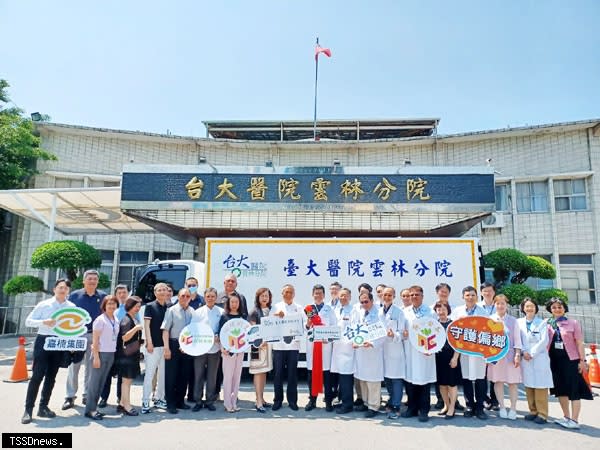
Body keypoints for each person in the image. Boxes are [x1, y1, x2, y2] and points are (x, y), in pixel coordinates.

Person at [21, 279, 74, 424]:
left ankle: (43, 407)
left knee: (51, 377)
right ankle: (28, 409)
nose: (63, 290)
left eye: (66, 288)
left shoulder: (71, 307)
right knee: (37, 376)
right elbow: (28, 321)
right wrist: (43, 322)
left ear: (68, 291)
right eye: (60, 287)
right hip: (44, 341)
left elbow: (75, 326)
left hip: (59, 344)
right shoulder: (44, 304)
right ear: (54, 289)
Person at [62, 269, 106, 410]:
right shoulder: (74, 296)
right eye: (89, 278)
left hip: (95, 335)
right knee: (73, 366)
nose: (92, 281)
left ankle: (87, 394)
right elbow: (67, 315)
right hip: (77, 335)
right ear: (84, 280)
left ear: (97, 281)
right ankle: (70, 396)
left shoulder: (103, 297)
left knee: (91, 366)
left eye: (95, 279)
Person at [546, 297, 593, 430]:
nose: (557, 309)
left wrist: (582, 361)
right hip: (554, 361)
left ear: (564, 308)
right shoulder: (548, 323)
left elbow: (579, 343)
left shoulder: (573, 323)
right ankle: (566, 416)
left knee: (573, 390)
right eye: (554, 307)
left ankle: (574, 420)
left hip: (570, 360)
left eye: (559, 307)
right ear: (550, 309)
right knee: (560, 390)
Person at [452, 286, 489, 420]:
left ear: (477, 297)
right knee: (466, 379)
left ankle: (480, 407)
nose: (470, 297)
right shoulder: (457, 312)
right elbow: (453, 331)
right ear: (463, 297)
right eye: (467, 295)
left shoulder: (483, 312)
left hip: (478, 351)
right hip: (464, 351)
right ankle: (469, 405)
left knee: (480, 379)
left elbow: (487, 331)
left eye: (473, 295)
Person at [402, 286, 437, 422]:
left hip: (424, 352)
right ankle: (412, 408)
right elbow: (401, 329)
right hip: (410, 351)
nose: (414, 297)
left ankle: (424, 410)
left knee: (423, 382)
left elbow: (436, 332)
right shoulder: (404, 312)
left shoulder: (430, 312)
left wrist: (432, 348)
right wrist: (403, 333)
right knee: (410, 382)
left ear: (422, 296)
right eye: (411, 295)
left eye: (417, 294)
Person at [517, 297, 553, 425]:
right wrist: (523, 352)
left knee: (540, 386)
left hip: (538, 357)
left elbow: (544, 341)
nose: (529, 308)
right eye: (527, 306)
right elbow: (517, 340)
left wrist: (531, 353)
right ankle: (533, 411)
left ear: (536, 308)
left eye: (531, 306)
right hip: (525, 356)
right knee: (529, 385)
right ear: (523, 308)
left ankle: (542, 414)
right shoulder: (519, 323)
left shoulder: (542, 323)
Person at [487, 294, 523, 420]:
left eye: (503, 303)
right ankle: (502, 407)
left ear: (506, 305)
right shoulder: (489, 319)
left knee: (512, 383)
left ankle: (513, 408)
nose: (500, 306)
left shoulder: (513, 321)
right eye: (498, 303)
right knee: (498, 381)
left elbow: (517, 340)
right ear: (494, 305)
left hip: (510, 357)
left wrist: (518, 354)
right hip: (496, 358)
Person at [84, 295, 119, 420]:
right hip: (100, 353)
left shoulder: (115, 319)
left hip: (110, 354)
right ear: (104, 305)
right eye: (109, 304)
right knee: (94, 383)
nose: (111, 306)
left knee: (102, 382)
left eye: (114, 304)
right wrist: (96, 357)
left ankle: (94, 408)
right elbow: (95, 340)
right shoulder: (100, 320)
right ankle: (90, 410)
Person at [305, 284, 337, 412]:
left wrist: (328, 338)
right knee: (311, 374)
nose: (318, 295)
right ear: (313, 294)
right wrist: (307, 324)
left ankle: (328, 401)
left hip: (325, 346)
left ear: (324, 295)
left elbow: (334, 327)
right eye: (316, 293)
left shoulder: (329, 309)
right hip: (312, 346)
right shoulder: (308, 309)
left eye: (320, 293)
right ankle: (312, 400)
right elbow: (304, 328)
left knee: (326, 375)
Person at [162, 288, 195, 414]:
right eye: (182, 296)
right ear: (178, 297)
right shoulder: (171, 310)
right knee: (171, 375)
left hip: (188, 345)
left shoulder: (192, 311)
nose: (185, 298)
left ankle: (180, 401)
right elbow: (165, 330)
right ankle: (170, 403)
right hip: (174, 344)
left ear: (190, 298)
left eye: (187, 296)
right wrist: (166, 348)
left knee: (184, 375)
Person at [271, 284, 303, 411]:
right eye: (286, 292)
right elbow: (270, 323)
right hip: (278, 346)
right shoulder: (276, 307)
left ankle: (292, 401)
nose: (288, 294)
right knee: (277, 374)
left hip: (293, 346)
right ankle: (277, 400)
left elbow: (303, 324)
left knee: (292, 374)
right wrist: (275, 316)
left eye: (291, 292)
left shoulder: (299, 308)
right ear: (282, 293)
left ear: (294, 294)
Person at [352, 291, 385, 418]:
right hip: (361, 351)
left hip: (373, 351)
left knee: (373, 381)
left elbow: (383, 333)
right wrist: (354, 341)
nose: (364, 304)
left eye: (366, 302)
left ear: (372, 301)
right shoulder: (360, 313)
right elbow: (355, 329)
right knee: (363, 379)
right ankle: (365, 403)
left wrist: (372, 343)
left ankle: (373, 406)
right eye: (362, 302)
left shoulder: (379, 314)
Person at [99, 284, 129, 408]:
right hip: (111, 345)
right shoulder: (112, 310)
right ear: (116, 295)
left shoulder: (131, 308)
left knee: (122, 373)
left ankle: (120, 398)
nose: (122, 295)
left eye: (124, 292)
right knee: (107, 373)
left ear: (127, 293)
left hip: (125, 346)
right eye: (119, 293)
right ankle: (104, 398)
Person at [192, 287, 222, 412]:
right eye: (208, 296)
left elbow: (223, 328)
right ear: (204, 298)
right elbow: (193, 329)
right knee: (198, 375)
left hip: (214, 349)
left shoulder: (221, 311)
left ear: (216, 298)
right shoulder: (198, 312)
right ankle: (198, 400)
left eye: (212, 296)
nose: (210, 298)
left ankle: (210, 400)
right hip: (200, 349)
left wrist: (219, 336)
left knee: (212, 376)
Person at [141, 282, 170, 414]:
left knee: (163, 375)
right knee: (150, 374)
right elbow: (146, 326)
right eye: (160, 290)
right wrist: (149, 342)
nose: (163, 292)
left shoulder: (169, 307)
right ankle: (145, 400)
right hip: (153, 346)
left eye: (165, 290)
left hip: (165, 346)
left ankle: (159, 398)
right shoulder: (150, 306)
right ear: (155, 292)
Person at [381, 286, 407, 419]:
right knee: (387, 378)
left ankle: (396, 406)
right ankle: (392, 400)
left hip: (395, 349)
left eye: (389, 295)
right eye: (385, 295)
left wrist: (394, 335)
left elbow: (402, 333)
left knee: (396, 379)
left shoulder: (399, 312)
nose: (386, 297)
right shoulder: (378, 311)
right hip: (382, 350)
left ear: (394, 297)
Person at [219, 293, 247, 412]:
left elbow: (247, 333)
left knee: (237, 377)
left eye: (236, 302)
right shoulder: (224, 317)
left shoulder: (243, 317)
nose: (234, 304)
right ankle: (227, 404)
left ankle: (234, 402)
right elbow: (221, 333)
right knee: (228, 377)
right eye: (232, 302)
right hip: (228, 351)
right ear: (228, 304)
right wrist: (222, 348)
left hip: (240, 351)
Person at [115, 296, 143, 416]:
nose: (138, 309)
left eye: (139, 307)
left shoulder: (133, 318)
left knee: (127, 381)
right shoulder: (126, 320)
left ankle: (122, 404)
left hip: (131, 354)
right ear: (130, 306)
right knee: (126, 381)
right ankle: (127, 406)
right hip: (127, 356)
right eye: (136, 306)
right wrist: (136, 328)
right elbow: (124, 337)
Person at [433, 301, 461, 420]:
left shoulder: (453, 324)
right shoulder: (433, 324)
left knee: (451, 384)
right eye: (439, 309)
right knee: (442, 384)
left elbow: (459, 343)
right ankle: (446, 405)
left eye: (444, 309)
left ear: (448, 310)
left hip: (451, 357)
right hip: (438, 357)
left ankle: (452, 408)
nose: (441, 311)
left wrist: (455, 358)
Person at [248, 287, 274, 413]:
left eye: (267, 296)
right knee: (258, 373)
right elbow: (253, 331)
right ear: (258, 297)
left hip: (267, 346)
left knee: (264, 372)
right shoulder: (254, 311)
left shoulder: (271, 310)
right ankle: (258, 401)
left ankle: (262, 399)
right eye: (262, 296)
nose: (264, 298)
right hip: (257, 347)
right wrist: (259, 341)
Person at [330, 287, 355, 414]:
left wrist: (346, 341)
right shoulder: (335, 310)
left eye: (345, 295)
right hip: (336, 348)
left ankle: (347, 404)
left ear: (350, 297)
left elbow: (355, 328)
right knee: (339, 377)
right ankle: (341, 401)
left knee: (346, 378)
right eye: (341, 296)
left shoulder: (354, 311)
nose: (343, 298)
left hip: (347, 348)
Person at [479, 281, 499, 411]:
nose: (487, 293)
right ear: (481, 292)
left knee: (494, 373)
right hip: (481, 344)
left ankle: (495, 400)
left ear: (494, 292)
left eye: (489, 291)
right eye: (485, 291)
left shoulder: (498, 306)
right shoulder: (477, 307)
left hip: (495, 343)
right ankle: (484, 399)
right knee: (483, 374)